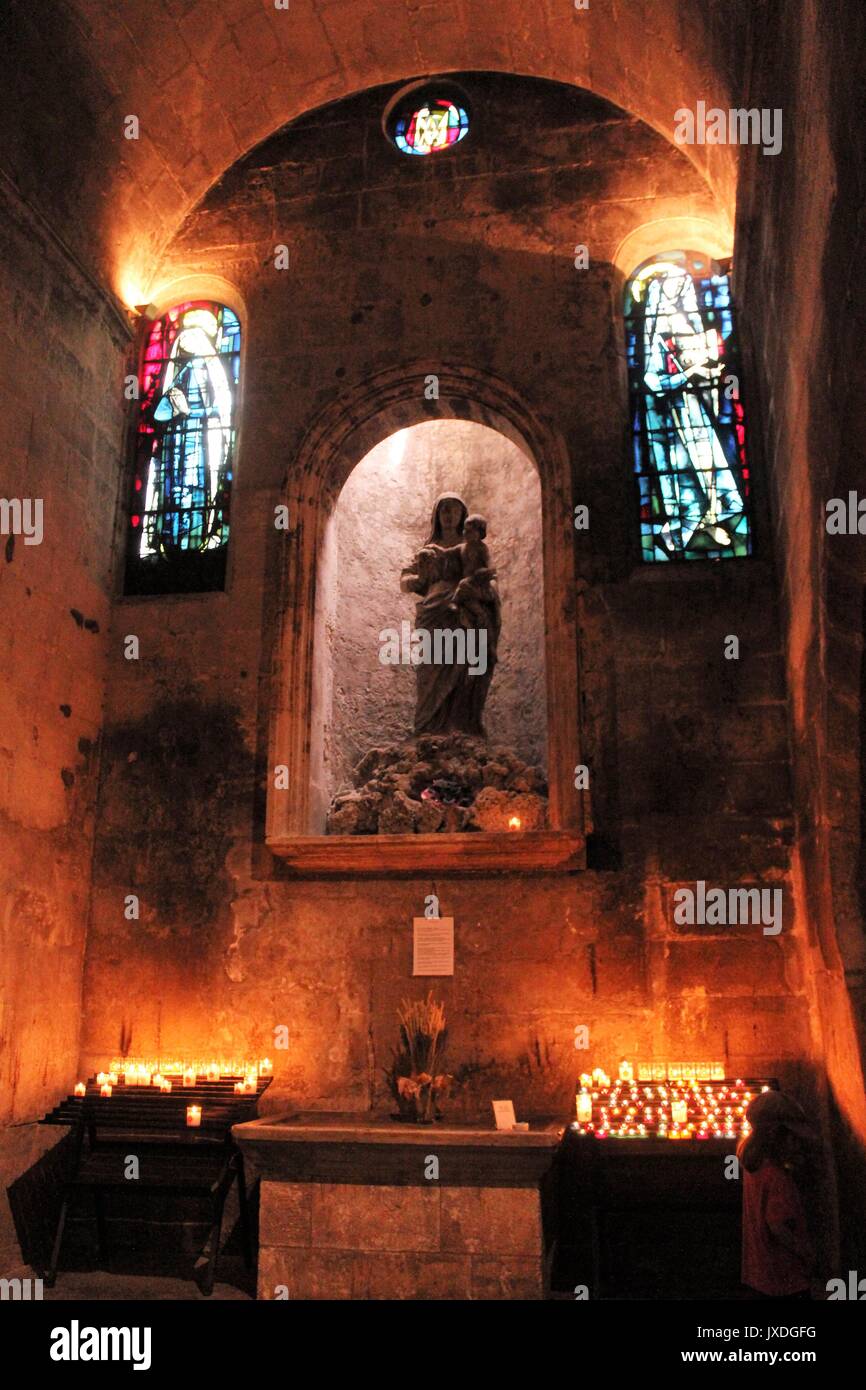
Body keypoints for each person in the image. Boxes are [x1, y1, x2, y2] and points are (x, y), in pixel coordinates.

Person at [737, 1089, 816, 1299]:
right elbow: (778, 1225)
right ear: (775, 1136)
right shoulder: (778, 1178)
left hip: (758, 1276)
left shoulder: (753, 1168)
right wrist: (807, 1254)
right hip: (785, 1280)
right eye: (793, 1138)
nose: (798, 1144)